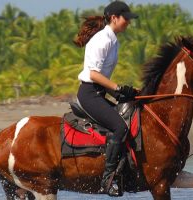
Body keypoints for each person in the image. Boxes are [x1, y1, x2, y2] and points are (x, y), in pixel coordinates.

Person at [72, 1, 138, 196]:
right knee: (120, 127)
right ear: (114, 18)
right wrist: (117, 88)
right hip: (89, 94)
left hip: (99, 92)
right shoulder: (102, 40)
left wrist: (123, 93)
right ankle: (107, 180)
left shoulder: (113, 40)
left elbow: (103, 79)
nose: (128, 23)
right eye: (126, 19)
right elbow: (93, 75)